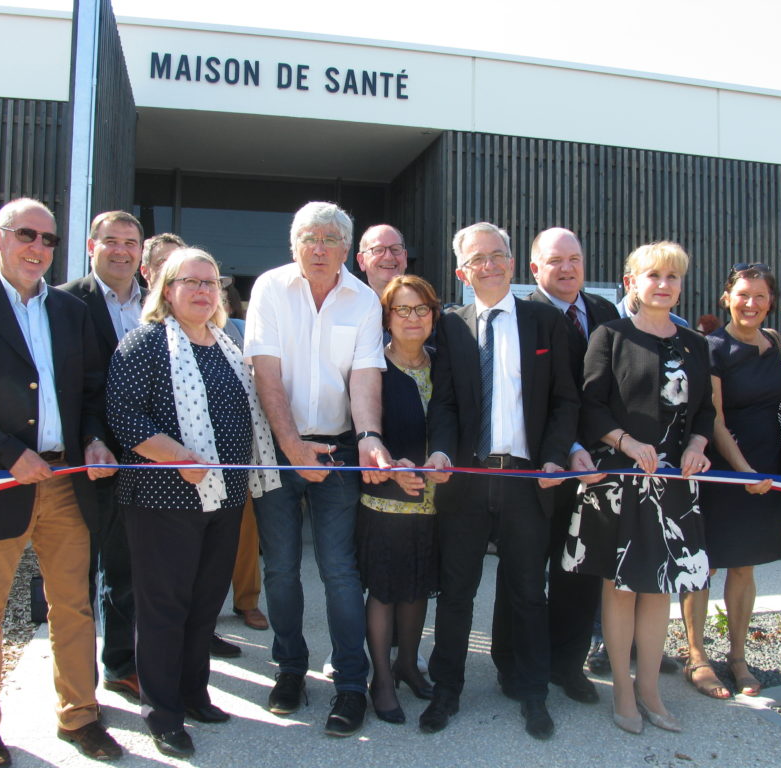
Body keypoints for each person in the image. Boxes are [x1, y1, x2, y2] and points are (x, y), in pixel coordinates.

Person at [0, 198, 123, 765]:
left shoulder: (69, 310)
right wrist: (10, 455)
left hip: (65, 480)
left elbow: (91, 388)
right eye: (26, 236)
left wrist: (93, 439)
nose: (37, 248)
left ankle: (79, 715)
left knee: (74, 605)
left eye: (48, 240)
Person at [106, 248, 279, 757]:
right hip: (163, 500)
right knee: (164, 609)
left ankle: (193, 693)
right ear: (167, 289)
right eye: (191, 282)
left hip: (223, 497)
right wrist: (178, 455)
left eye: (212, 283)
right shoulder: (144, 345)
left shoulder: (226, 344)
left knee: (204, 603)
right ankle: (162, 713)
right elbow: (125, 419)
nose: (204, 291)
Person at [419, 222, 579, 740]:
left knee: (529, 591)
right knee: (457, 590)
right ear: (461, 271)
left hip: (527, 480)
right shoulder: (451, 325)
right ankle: (447, 689)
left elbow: (564, 400)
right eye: (477, 259)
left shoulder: (543, 321)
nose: (489, 265)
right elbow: (442, 401)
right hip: (465, 479)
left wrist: (555, 457)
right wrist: (440, 450)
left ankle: (532, 691)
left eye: (498, 255)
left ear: (512, 262)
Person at [244, 201, 393, 737]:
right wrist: (291, 446)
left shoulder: (364, 300)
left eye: (331, 238)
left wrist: (371, 437)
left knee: (339, 571)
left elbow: (365, 375)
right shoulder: (268, 289)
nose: (320, 247)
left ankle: (351, 684)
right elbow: (266, 371)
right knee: (280, 569)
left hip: (338, 453)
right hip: (276, 451)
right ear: (294, 245)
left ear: (347, 249)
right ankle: (289, 670)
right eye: (310, 237)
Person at [563, 241, 713, 735]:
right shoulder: (610, 333)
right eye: (653, 276)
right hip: (620, 478)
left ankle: (650, 688)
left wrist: (697, 445)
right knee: (622, 587)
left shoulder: (694, 343)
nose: (664, 285)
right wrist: (624, 441)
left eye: (672, 277)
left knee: (659, 589)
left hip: (673, 483)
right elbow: (591, 406)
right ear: (632, 283)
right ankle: (622, 691)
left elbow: (705, 413)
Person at [490, 227, 617, 706]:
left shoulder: (604, 313)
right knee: (522, 571)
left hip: (594, 470)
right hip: (538, 465)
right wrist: (563, 447)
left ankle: (568, 663)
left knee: (579, 571)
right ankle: (513, 660)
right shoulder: (522, 316)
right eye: (556, 260)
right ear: (534, 268)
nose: (567, 269)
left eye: (575, 259)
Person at [679, 264, 781, 700]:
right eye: (743, 294)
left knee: (746, 564)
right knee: (706, 564)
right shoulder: (712, 347)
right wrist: (743, 470)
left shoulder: (775, 346)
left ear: (771, 302)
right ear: (726, 298)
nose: (751, 303)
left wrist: (772, 470)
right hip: (723, 468)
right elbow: (716, 419)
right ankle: (696, 656)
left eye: (760, 296)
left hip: (766, 467)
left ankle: (737, 657)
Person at [60, 210, 145, 701]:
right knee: (76, 574)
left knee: (126, 568)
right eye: (110, 241)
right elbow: (71, 386)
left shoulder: (155, 304)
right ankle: (75, 682)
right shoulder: (66, 302)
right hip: (86, 458)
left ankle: (120, 664)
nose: (121, 251)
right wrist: (91, 437)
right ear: (91, 246)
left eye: (130, 242)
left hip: (146, 458)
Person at [357, 275, 441, 723]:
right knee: (386, 591)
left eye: (421, 309)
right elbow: (364, 433)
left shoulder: (443, 364)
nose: (413, 318)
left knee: (418, 587)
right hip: (385, 503)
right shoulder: (373, 367)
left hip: (433, 505)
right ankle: (381, 679)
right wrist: (394, 475)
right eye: (402, 310)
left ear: (433, 315)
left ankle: (408, 664)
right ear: (387, 317)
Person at [217, 281, 270, 634]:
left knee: (246, 532)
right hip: (197, 456)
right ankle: (207, 612)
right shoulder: (172, 333)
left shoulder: (239, 331)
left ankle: (247, 601)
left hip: (243, 449)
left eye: (219, 294)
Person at [356, 224, 408, 295]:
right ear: (361, 261)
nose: (389, 257)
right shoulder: (347, 303)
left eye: (395, 249)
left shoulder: (424, 302)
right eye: (378, 250)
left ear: (405, 257)